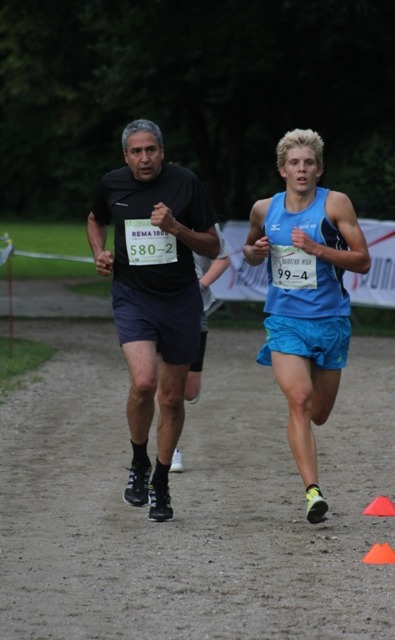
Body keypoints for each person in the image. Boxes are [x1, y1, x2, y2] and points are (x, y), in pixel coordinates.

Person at [87, 118, 219, 522]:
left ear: (162, 152)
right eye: (136, 151)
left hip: (180, 300)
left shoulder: (185, 183)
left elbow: (213, 246)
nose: (144, 158)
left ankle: (160, 482)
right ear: (125, 156)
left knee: (172, 398)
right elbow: (95, 219)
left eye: (151, 150)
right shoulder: (111, 184)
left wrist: (175, 226)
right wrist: (99, 252)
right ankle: (138, 461)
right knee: (144, 382)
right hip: (133, 297)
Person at [243, 128, 370, 524]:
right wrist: (255, 251)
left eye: (309, 163)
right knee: (299, 400)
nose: (302, 169)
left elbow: (363, 260)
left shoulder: (335, 204)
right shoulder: (264, 209)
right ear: (282, 170)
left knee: (319, 413)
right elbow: (248, 250)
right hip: (284, 320)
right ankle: (313, 491)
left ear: (319, 169)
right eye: (294, 163)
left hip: (330, 321)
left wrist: (318, 249)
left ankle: (311, 464)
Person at [170, 224, 230, 472]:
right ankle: (171, 449)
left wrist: (201, 284)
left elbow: (223, 258)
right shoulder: (145, 211)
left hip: (193, 308)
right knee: (166, 387)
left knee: (188, 391)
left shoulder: (198, 214)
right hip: (154, 306)